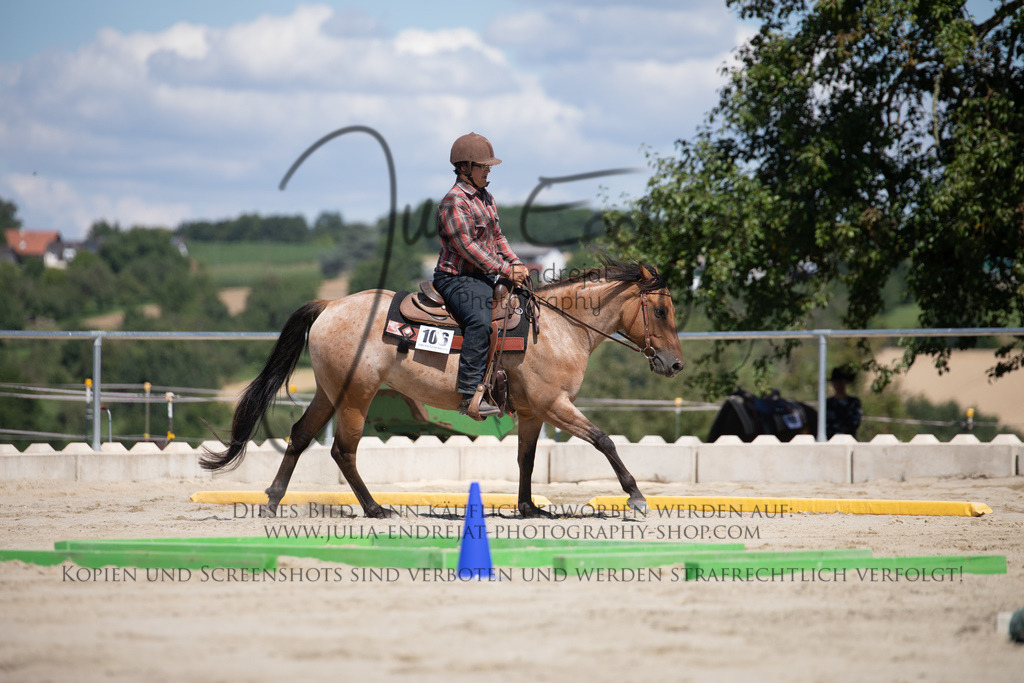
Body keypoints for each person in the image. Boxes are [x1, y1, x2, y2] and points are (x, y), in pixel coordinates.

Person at [433, 132, 530, 418]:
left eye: (489, 167)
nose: (488, 171)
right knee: (479, 321)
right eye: (483, 166)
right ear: (464, 167)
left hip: (484, 276)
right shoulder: (453, 202)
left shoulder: (486, 197)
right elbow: (468, 247)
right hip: (456, 279)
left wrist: (516, 263)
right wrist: (505, 270)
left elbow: (497, 237)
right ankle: (469, 394)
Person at [825, 366, 863, 439]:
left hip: (849, 439)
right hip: (830, 440)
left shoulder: (854, 402)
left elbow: (855, 423)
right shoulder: (827, 403)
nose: (838, 385)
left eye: (841, 382)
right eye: (836, 382)